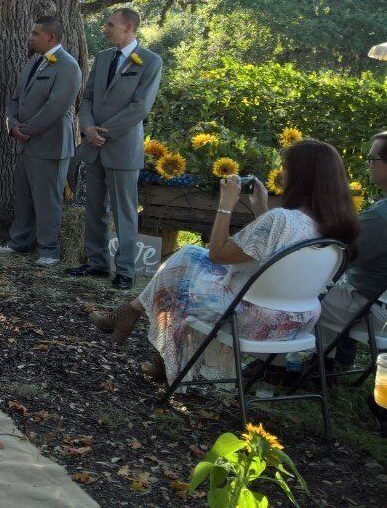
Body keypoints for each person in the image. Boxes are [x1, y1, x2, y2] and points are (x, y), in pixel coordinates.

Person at [91, 139, 360, 383]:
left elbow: (217, 253)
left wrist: (226, 204)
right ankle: (137, 324)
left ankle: (144, 331)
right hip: (296, 324)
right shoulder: (336, 226)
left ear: (302, 176)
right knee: (188, 256)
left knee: (183, 269)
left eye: (286, 168)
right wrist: (260, 209)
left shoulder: (281, 220)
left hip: (249, 320)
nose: (283, 174)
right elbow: (274, 252)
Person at [66, 7, 163, 290]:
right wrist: (87, 128)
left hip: (121, 147)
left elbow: (140, 107)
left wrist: (103, 133)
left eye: (110, 25)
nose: (105, 29)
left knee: (124, 212)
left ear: (128, 28)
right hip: (93, 145)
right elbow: (88, 98)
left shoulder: (150, 61)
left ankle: (125, 270)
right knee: (94, 207)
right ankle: (96, 262)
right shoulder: (105, 57)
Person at [0, 16, 82, 266]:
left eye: (34, 34)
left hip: (50, 144)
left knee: (47, 199)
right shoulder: (34, 62)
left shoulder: (68, 66)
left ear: (50, 37)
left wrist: (27, 129)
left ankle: (49, 250)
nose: (29, 38)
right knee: (23, 196)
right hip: (24, 142)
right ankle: (20, 242)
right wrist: (12, 125)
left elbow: (57, 106)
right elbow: (15, 98)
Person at [317, 132, 387, 370]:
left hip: (374, 311)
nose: (369, 164)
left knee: (302, 286)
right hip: (375, 301)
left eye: (372, 158)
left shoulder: (381, 217)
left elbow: (333, 258)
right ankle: (330, 360)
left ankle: (276, 364)